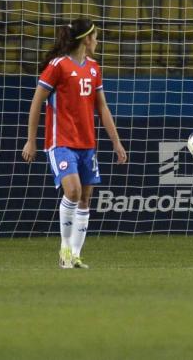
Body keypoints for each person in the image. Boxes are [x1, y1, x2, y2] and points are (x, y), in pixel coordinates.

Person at [22, 18, 127, 269]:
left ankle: (76, 255)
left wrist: (116, 142)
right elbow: (37, 102)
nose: (98, 41)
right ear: (86, 39)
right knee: (72, 191)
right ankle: (64, 250)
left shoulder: (93, 68)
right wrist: (31, 140)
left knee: (85, 199)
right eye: (96, 36)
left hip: (87, 143)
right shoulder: (57, 66)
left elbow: (102, 107)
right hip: (60, 142)